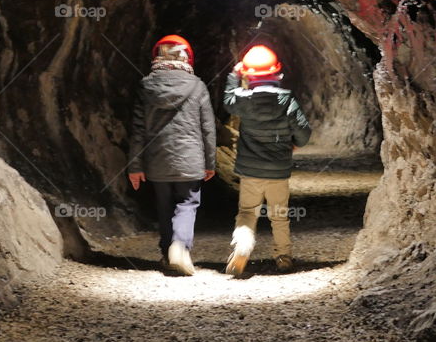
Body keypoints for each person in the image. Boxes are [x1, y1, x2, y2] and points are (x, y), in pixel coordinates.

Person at [127, 34, 216, 276]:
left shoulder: (145, 86)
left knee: (163, 206)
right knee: (187, 203)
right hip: (191, 158)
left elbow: (137, 130)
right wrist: (210, 162)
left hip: (156, 159)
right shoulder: (197, 85)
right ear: (187, 57)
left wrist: (135, 166)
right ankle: (180, 246)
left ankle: (168, 253)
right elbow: (207, 128)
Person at [223, 44, 311, 277]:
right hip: (278, 171)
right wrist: (293, 143)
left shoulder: (243, 100)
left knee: (247, 213)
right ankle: (283, 256)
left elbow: (227, 101)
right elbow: (304, 133)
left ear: (248, 74)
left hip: (250, 171)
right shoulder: (286, 100)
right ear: (277, 72)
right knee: (279, 215)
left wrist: (234, 76)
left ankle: (242, 246)